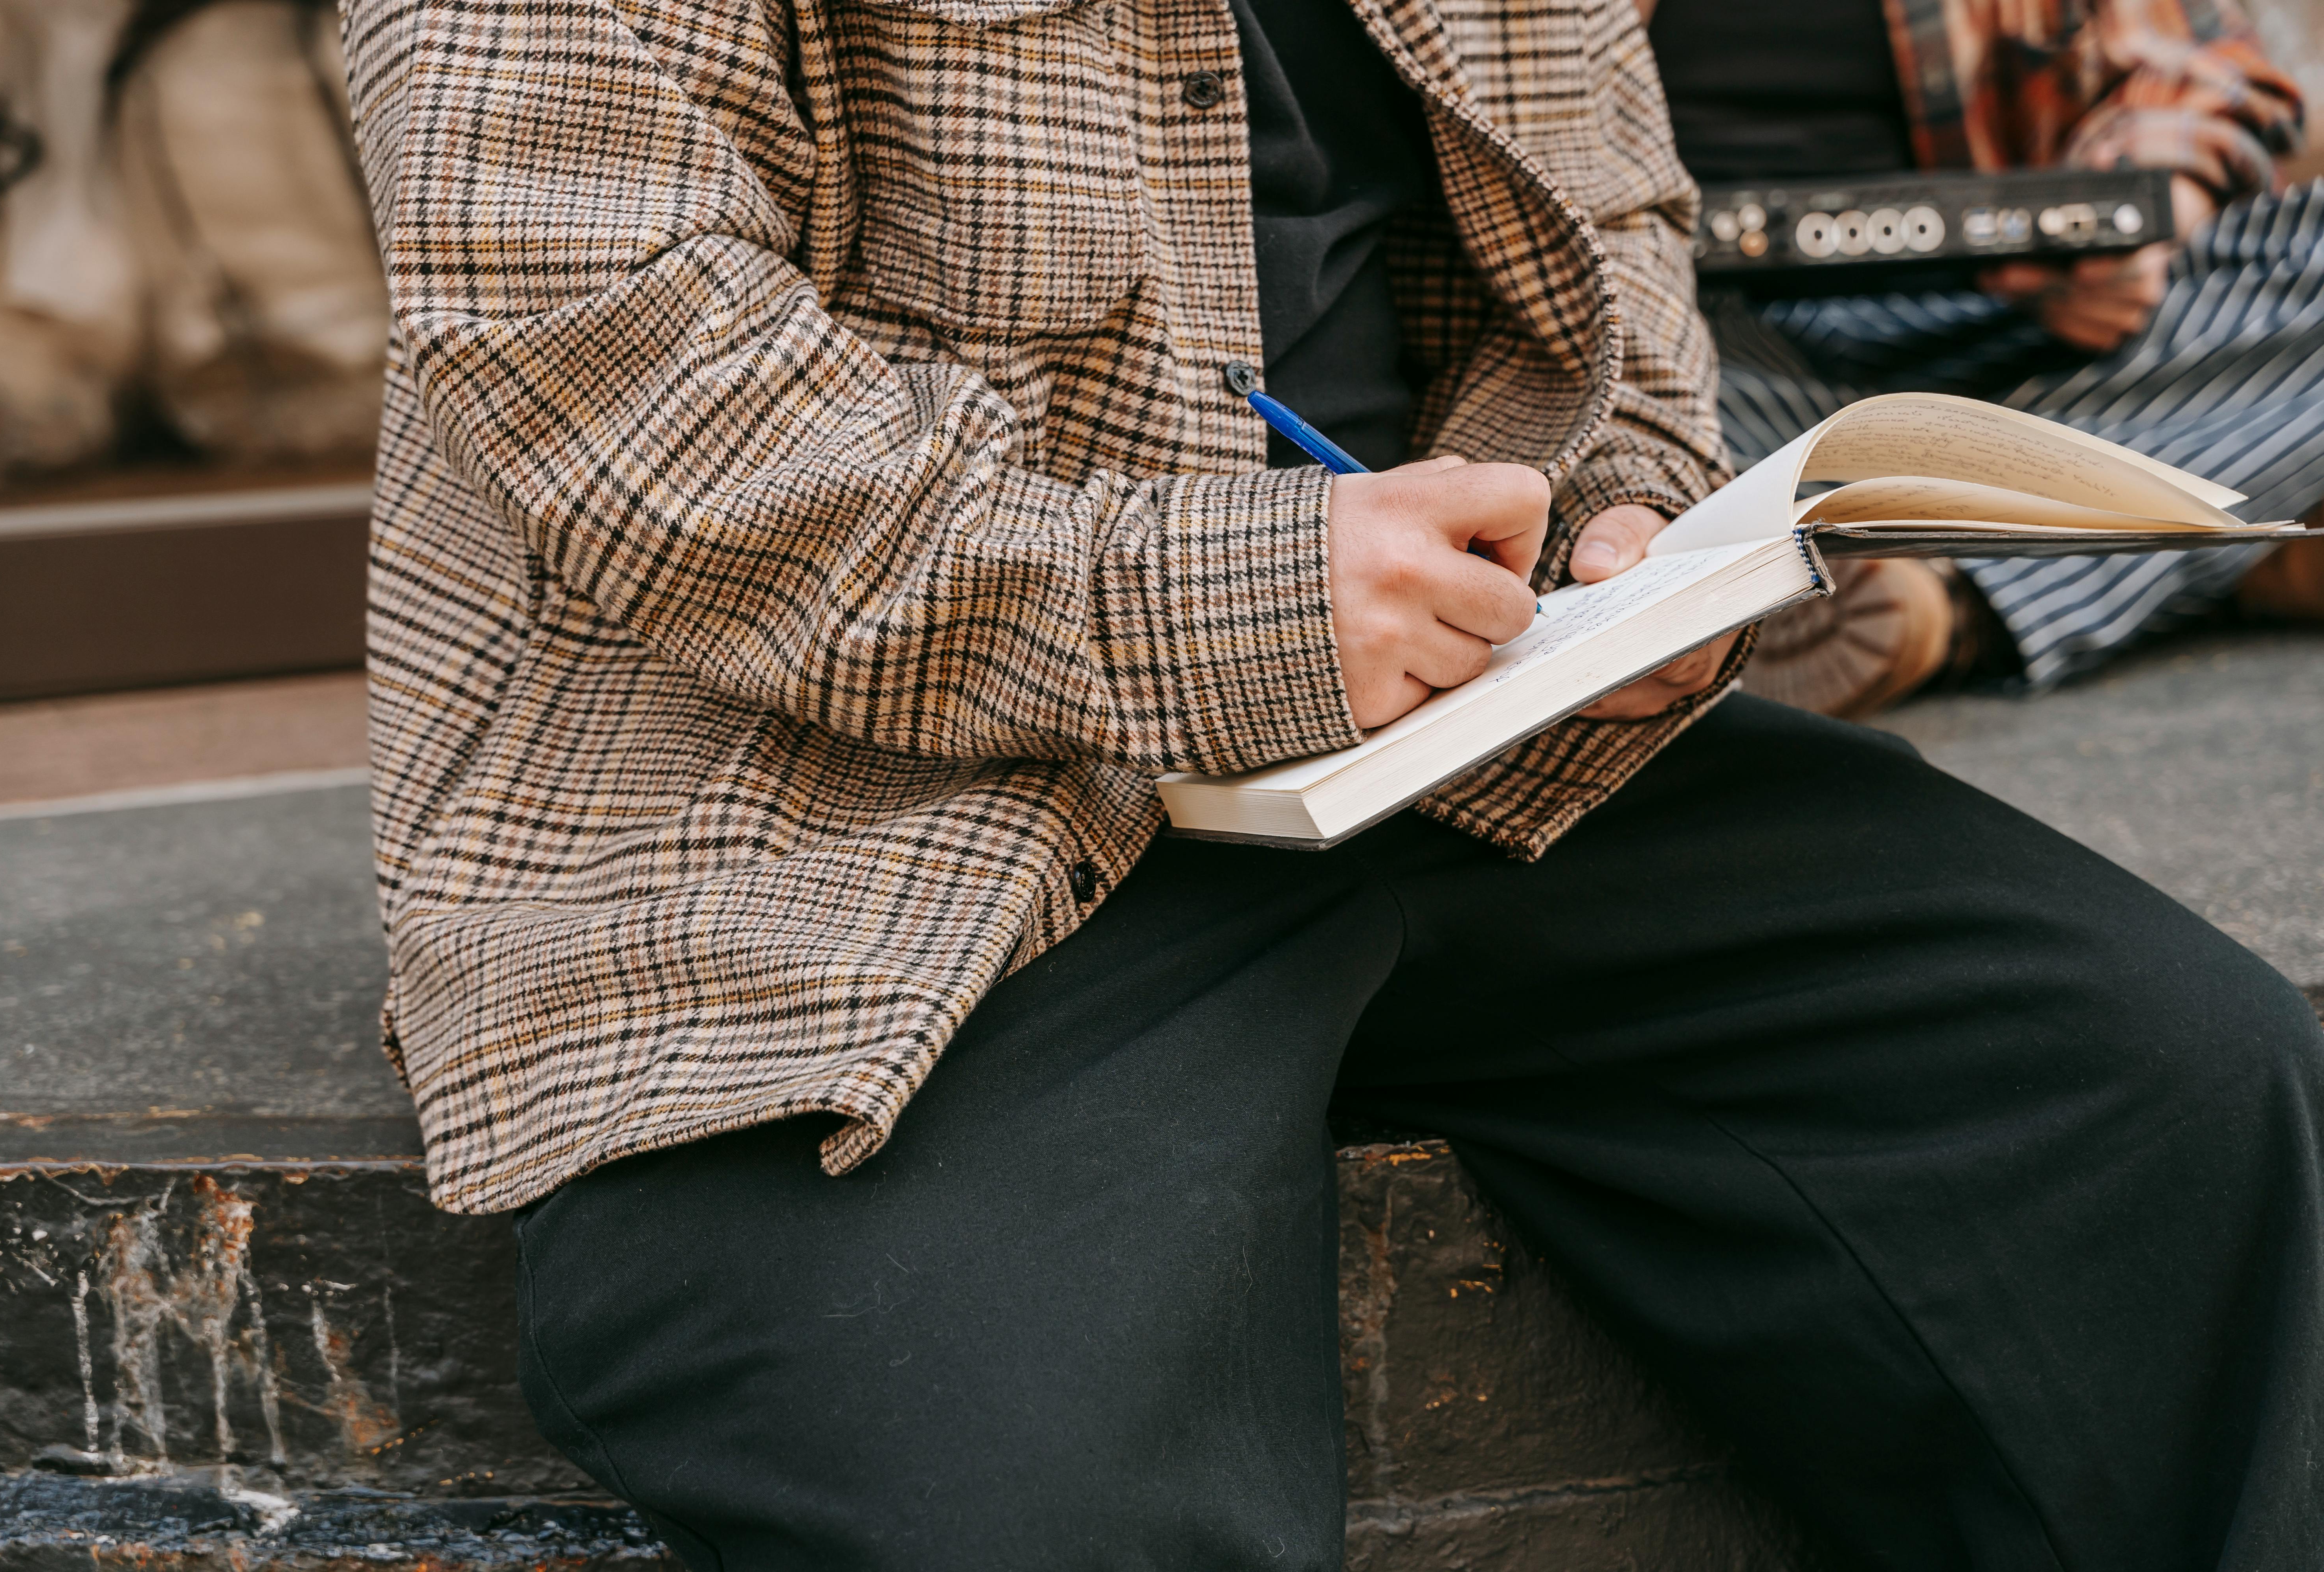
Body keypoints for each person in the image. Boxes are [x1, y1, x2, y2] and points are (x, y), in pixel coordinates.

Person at [343, 0, 2324, 1566]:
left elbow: (1608, 211)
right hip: (841, 810)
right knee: (1031, 1493)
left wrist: (1635, 521)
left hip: (1472, 729)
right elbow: (586, 343)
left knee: (2179, 1095)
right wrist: (1237, 602)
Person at [1649, 0, 2324, 714]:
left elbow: (2198, 59)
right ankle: (2194, 534)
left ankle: (1938, 575)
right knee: (1598, 391)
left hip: (2016, 321)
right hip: (1711, 347)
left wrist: (2146, 210)